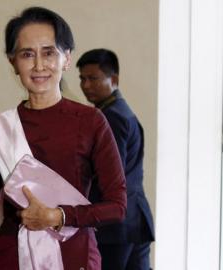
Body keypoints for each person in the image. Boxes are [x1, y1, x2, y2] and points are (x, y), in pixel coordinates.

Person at [0, 7, 127, 270]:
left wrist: (58, 216)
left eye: (49, 53)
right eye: (27, 54)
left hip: (73, 255)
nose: (39, 65)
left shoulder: (91, 122)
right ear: (13, 62)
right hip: (12, 256)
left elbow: (117, 206)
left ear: (66, 59)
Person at [77, 48, 155, 270]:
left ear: (114, 79)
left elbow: (109, 175)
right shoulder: (122, 111)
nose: (86, 85)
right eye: (82, 79)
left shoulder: (111, 117)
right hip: (134, 220)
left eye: (93, 78)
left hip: (116, 226)